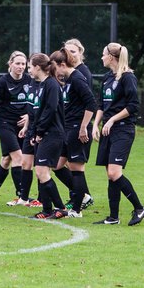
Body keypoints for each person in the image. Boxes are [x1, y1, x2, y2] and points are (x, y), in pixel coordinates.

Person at [91, 43, 144, 226]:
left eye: (103, 55)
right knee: (110, 174)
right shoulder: (108, 77)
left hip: (123, 129)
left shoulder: (128, 77)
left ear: (112, 57)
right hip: (109, 129)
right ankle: (113, 217)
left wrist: (112, 119)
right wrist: (95, 124)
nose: (101, 58)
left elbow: (133, 106)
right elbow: (101, 104)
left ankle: (139, 208)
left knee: (115, 172)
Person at [51, 49, 95, 217]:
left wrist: (84, 127)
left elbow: (91, 103)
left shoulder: (77, 78)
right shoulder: (67, 80)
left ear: (62, 65)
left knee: (77, 168)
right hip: (67, 128)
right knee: (56, 165)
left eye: (55, 67)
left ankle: (77, 209)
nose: (54, 72)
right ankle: (82, 195)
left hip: (78, 129)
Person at [27, 52, 67, 220]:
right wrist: (34, 132)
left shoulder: (51, 84)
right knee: (40, 172)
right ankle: (47, 210)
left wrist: (40, 132)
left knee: (42, 171)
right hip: (44, 133)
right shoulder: (42, 84)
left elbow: (50, 110)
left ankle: (60, 208)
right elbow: (38, 112)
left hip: (52, 134)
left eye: (29, 66)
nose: (28, 70)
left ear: (37, 67)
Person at [0, 51, 31, 206]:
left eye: (23, 64)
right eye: (18, 63)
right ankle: (21, 194)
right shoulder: (3, 82)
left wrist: (29, 116)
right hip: (5, 124)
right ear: (10, 64)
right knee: (19, 157)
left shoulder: (29, 80)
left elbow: (35, 102)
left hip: (23, 125)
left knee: (6, 160)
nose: (21, 67)